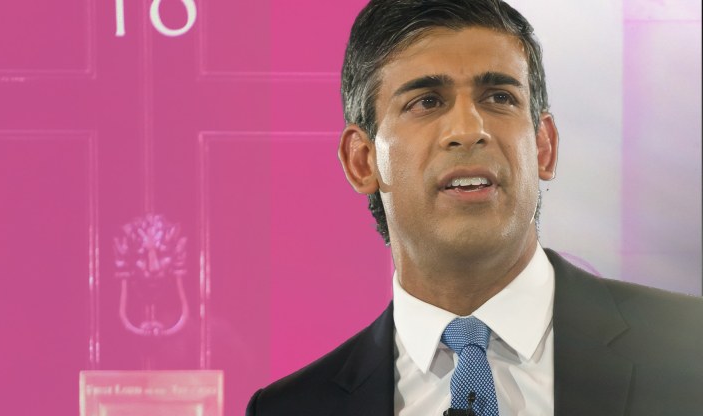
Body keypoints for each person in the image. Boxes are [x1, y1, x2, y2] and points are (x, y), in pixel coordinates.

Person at [246, 0, 703, 415]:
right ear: (363, 160)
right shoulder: (290, 409)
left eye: (499, 97)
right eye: (427, 102)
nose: (468, 129)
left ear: (543, 147)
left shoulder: (690, 349)